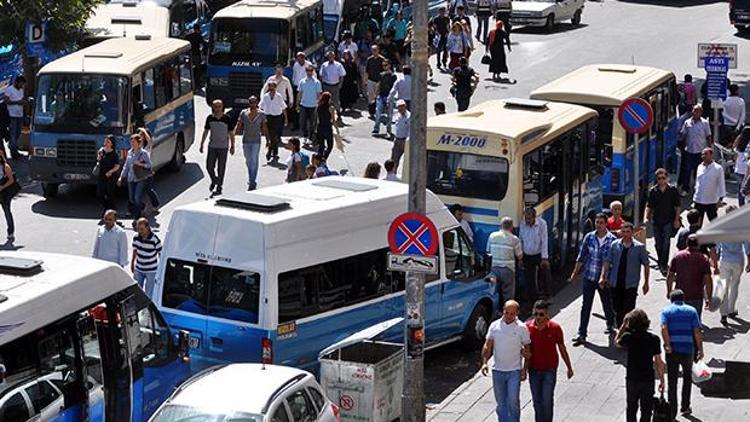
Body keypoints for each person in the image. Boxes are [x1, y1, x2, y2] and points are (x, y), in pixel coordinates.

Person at [568, 213, 617, 345]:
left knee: (607, 302)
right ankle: (582, 333)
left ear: (606, 224)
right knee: (586, 305)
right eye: (597, 222)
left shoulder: (612, 240)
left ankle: (610, 323)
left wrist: (604, 277)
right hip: (589, 276)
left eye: (601, 222)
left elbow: (609, 261)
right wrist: (574, 274)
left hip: (604, 280)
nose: (599, 225)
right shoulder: (589, 237)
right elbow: (581, 256)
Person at [481, 300, 530, 422]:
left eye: (512, 314)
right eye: (506, 313)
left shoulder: (522, 328)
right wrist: (484, 362)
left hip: (514, 371)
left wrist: (524, 369)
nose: (508, 316)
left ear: (517, 313)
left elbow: (527, 350)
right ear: (503, 310)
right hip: (498, 371)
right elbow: (487, 345)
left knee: (513, 401)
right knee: (501, 403)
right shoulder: (494, 326)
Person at [525, 300, 574, 422]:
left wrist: (569, 367)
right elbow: (524, 348)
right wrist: (524, 368)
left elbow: (562, 348)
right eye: (536, 314)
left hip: (549, 369)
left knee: (547, 400)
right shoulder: (527, 328)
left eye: (541, 314)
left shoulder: (555, 328)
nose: (538, 317)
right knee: (537, 400)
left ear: (547, 314)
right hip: (534, 369)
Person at [615, 308, 665, 422]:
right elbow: (658, 362)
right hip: (647, 379)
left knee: (631, 407)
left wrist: (623, 326)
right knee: (646, 409)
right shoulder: (654, 339)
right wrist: (662, 380)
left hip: (632, 378)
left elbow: (616, 342)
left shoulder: (628, 337)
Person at [661, 289, 703, 419]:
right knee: (687, 378)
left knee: (672, 381)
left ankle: (672, 412)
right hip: (687, 349)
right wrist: (700, 349)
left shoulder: (666, 311)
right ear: (683, 298)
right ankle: (685, 406)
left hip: (672, 351)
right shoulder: (691, 311)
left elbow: (663, 328)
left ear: (671, 299)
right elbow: (697, 331)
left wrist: (667, 345)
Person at [600, 222, 650, 327]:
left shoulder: (639, 247)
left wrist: (646, 283)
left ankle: (627, 330)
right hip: (615, 283)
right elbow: (608, 261)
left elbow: (646, 265)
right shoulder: (615, 245)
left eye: (628, 232)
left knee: (629, 309)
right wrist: (603, 276)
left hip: (631, 284)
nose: (626, 234)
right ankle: (620, 328)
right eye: (623, 232)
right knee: (617, 308)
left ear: (632, 233)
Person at [715, 206, 750, 324]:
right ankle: (731, 310)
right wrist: (749, 261)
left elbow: (717, 247)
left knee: (723, 286)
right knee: (735, 286)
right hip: (738, 260)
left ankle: (723, 313)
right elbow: (747, 247)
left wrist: (714, 262)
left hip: (725, 260)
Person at [667, 234, 713, 321]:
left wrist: (669, 292)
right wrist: (709, 298)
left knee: (679, 321)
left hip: (679, 295)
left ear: (687, 244)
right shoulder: (703, 258)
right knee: (694, 321)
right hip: (696, 296)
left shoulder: (677, 256)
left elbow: (670, 276)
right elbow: (708, 280)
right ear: (698, 245)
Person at [644, 168, 681, 275]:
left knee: (666, 243)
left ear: (667, 178)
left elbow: (678, 206)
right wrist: (647, 218)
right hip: (657, 221)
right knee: (658, 244)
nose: (661, 180)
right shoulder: (653, 191)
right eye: (659, 178)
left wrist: (676, 220)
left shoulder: (673, 190)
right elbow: (649, 206)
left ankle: (663, 264)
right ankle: (661, 261)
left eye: (663, 178)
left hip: (668, 221)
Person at [199, 100, 234, 195]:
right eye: (216, 106)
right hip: (212, 146)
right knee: (209, 166)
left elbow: (231, 133)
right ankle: (214, 180)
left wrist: (232, 146)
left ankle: (219, 186)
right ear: (213, 107)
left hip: (223, 147)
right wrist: (202, 144)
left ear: (222, 107)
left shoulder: (227, 118)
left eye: (219, 106)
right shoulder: (210, 118)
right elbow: (206, 131)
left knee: (221, 168)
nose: (218, 108)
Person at [234, 96, 267, 191]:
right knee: (248, 160)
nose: (253, 104)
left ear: (257, 103)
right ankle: (251, 176)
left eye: (254, 102)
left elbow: (264, 127)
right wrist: (233, 136)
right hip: (246, 140)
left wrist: (268, 140)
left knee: (254, 160)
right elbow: (239, 124)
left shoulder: (261, 114)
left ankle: (252, 181)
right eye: (251, 102)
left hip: (256, 140)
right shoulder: (244, 113)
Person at [486, 217, 523, 304]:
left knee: (494, 291)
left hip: (494, 269)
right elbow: (520, 256)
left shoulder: (492, 236)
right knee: (508, 293)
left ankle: (496, 310)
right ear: (511, 227)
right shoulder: (514, 239)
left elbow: (487, 251)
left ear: (500, 226)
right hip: (508, 269)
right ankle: (508, 311)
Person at [678, 105, 712, 195]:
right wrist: (682, 146)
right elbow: (683, 135)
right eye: (694, 110)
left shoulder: (705, 123)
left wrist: (709, 149)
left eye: (698, 111)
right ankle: (686, 189)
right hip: (689, 150)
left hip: (700, 152)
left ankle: (698, 188)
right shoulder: (687, 122)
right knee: (687, 171)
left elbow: (708, 136)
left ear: (701, 113)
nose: (696, 113)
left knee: (699, 171)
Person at [118, 134, 153, 220]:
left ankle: (137, 217)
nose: (132, 144)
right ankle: (143, 206)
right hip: (131, 178)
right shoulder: (130, 152)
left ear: (139, 143)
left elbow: (149, 165)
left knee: (137, 198)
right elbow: (126, 166)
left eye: (133, 142)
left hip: (140, 178)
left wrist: (140, 164)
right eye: (131, 142)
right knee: (132, 199)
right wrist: (121, 177)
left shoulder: (143, 153)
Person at [519, 207, 551, 300]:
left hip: (539, 254)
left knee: (545, 273)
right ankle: (533, 298)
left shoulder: (542, 224)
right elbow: (520, 240)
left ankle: (548, 295)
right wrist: (520, 257)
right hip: (527, 255)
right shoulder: (522, 224)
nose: (527, 221)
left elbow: (544, 240)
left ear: (534, 217)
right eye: (526, 218)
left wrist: (544, 258)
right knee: (529, 279)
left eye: (529, 218)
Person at [693, 147, 726, 222]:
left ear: (711, 155)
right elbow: (697, 182)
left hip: (711, 201)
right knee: (696, 224)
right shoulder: (699, 167)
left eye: (705, 154)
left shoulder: (718, 168)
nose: (703, 156)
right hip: (699, 200)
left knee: (713, 223)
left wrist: (720, 199)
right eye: (702, 154)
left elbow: (721, 184)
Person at [131, 218, 162, 297]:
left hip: (151, 271)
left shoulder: (155, 239)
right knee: (136, 293)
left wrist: (161, 270)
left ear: (147, 227)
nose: (140, 231)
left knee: (149, 294)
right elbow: (135, 251)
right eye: (138, 229)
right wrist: (132, 264)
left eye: (142, 229)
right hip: (139, 269)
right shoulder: (136, 238)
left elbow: (160, 254)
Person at [259, 81, 287, 162]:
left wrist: (286, 119)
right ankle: (272, 150)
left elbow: (284, 107)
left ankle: (272, 151)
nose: (271, 89)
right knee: (269, 135)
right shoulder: (265, 96)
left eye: (273, 87)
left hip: (277, 118)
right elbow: (261, 107)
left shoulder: (279, 96)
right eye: (270, 87)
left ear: (275, 87)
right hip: (268, 117)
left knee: (274, 135)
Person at [1, 76, 25, 159]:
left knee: (18, 134)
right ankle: (13, 152)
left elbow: (21, 99)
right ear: (17, 82)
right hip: (12, 115)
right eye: (21, 84)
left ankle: (15, 149)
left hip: (20, 114)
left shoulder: (21, 90)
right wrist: (16, 102)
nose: (22, 86)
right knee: (13, 134)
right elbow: (6, 101)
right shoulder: (9, 90)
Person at [296, 65, 322, 145]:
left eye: (311, 71)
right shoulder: (302, 82)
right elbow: (299, 93)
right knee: (302, 122)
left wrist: (319, 104)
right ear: (306, 72)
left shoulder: (317, 82)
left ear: (313, 71)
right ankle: (305, 136)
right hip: (303, 105)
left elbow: (318, 94)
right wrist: (297, 104)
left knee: (312, 123)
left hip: (313, 106)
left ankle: (310, 137)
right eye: (308, 71)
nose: (309, 72)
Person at [96, 135, 121, 212]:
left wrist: (110, 171)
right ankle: (107, 207)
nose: (105, 143)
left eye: (108, 142)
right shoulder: (101, 151)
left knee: (110, 194)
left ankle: (112, 211)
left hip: (111, 176)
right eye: (105, 141)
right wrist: (98, 157)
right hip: (102, 175)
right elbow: (98, 159)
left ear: (111, 144)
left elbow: (117, 166)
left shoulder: (114, 154)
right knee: (100, 193)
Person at [373, 60, 397, 135]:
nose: (384, 67)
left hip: (389, 96)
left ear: (389, 65)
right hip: (381, 95)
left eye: (385, 65)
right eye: (383, 65)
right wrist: (376, 94)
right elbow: (378, 84)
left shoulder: (393, 76)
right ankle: (376, 128)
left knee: (389, 114)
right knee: (378, 112)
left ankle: (388, 129)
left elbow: (395, 87)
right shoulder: (381, 75)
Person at [319, 50, 347, 115]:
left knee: (336, 100)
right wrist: (322, 84)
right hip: (326, 85)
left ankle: (337, 112)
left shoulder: (339, 65)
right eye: (329, 56)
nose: (330, 57)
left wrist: (340, 84)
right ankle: (326, 113)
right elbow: (321, 75)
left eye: (332, 56)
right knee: (326, 100)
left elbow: (342, 75)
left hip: (335, 85)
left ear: (334, 57)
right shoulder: (324, 65)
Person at [316, 92, 339, 159]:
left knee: (321, 146)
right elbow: (333, 119)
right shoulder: (330, 108)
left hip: (320, 127)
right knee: (330, 146)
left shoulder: (319, 107)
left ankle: (319, 159)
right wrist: (336, 129)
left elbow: (317, 118)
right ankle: (324, 158)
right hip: (327, 128)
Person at [364, 45, 386, 117]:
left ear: (378, 50)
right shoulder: (369, 60)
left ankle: (379, 111)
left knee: (378, 97)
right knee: (371, 97)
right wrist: (365, 81)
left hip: (379, 81)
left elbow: (384, 71)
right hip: (371, 80)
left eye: (375, 50)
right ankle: (371, 112)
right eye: (373, 50)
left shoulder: (382, 59)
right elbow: (367, 71)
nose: (374, 52)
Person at [731, 127, 750, 206]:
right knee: (746, 191)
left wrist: (739, 137)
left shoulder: (739, 145)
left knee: (741, 191)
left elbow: (734, 150)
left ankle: (741, 207)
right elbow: (747, 160)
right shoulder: (748, 146)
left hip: (738, 170)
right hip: (746, 171)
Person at [391, 100, 410, 169]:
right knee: (393, 160)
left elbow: (410, 130)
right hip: (397, 140)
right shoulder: (397, 115)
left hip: (405, 140)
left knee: (408, 161)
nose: (400, 108)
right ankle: (392, 175)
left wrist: (406, 141)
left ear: (405, 106)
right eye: (399, 107)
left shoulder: (409, 117)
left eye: (402, 106)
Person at [0, 153, 15, 243]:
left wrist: (3, 186)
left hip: (4, 193)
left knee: (7, 212)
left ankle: (10, 232)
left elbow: (11, 180)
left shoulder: (5, 167)